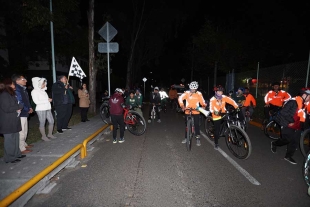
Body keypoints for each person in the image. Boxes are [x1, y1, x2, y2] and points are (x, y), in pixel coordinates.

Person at [272, 89, 310, 164]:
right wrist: (291, 121)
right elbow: (283, 112)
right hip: (288, 124)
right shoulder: (293, 101)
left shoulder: (304, 104)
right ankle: (274, 143)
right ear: (305, 95)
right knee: (286, 140)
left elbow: (303, 116)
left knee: (294, 142)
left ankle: (288, 156)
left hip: (298, 127)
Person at [0, 78, 25, 163]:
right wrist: (19, 107)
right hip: (8, 122)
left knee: (15, 138)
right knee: (9, 140)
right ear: (9, 85)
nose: (15, 86)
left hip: (14, 120)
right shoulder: (4, 95)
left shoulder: (11, 94)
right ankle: (10, 158)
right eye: (13, 84)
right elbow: (7, 108)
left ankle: (17, 154)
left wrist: (18, 107)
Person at [209, 85, 239, 149]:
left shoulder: (224, 97)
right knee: (217, 130)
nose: (220, 93)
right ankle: (216, 143)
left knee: (230, 120)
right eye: (218, 91)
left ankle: (231, 134)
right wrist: (216, 112)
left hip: (223, 112)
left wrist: (237, 107)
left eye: (221, 92)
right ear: (216, 92)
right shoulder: (212, 99)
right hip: (216, 115)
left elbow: (232, 101)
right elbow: (211, 109)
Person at [179, 81, 207, 146]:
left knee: (196, 125)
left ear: (196, 89)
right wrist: (182, 106)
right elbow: (180, 98)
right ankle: (186, 138)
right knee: (187, 126)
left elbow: (202, 101)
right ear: (190, 88)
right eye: (191, 89)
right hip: (187, 110)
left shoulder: (199, 94)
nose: (192, 90)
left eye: (194, 89)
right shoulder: (186, 93)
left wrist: (203, 106)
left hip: (196, 111)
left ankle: (198, 139)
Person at [12, 74, 34, 154]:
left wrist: (30, 107)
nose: (25, 80)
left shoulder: (22, 88)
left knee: (25, 129)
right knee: (21, 130)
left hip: (25, 111)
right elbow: (20, 102)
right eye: (23, 79)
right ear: (17, 81)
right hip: (21, 112)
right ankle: (21, 148)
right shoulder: (17, 89)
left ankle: (24, 144)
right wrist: (27, 109)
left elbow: (26, 100)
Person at [31, 77, 57, 141]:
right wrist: (47, 100)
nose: (44, 85)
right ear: (38, 84)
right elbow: (36, 102)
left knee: (51, 121)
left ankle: (50, 134)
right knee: (42, 122)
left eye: (44, 83)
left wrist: (48, 101)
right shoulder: (34, 91)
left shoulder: (44, 91)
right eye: (43, 83)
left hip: (47, 108)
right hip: (41, 109)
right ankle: (43, 136)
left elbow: (46, 100)